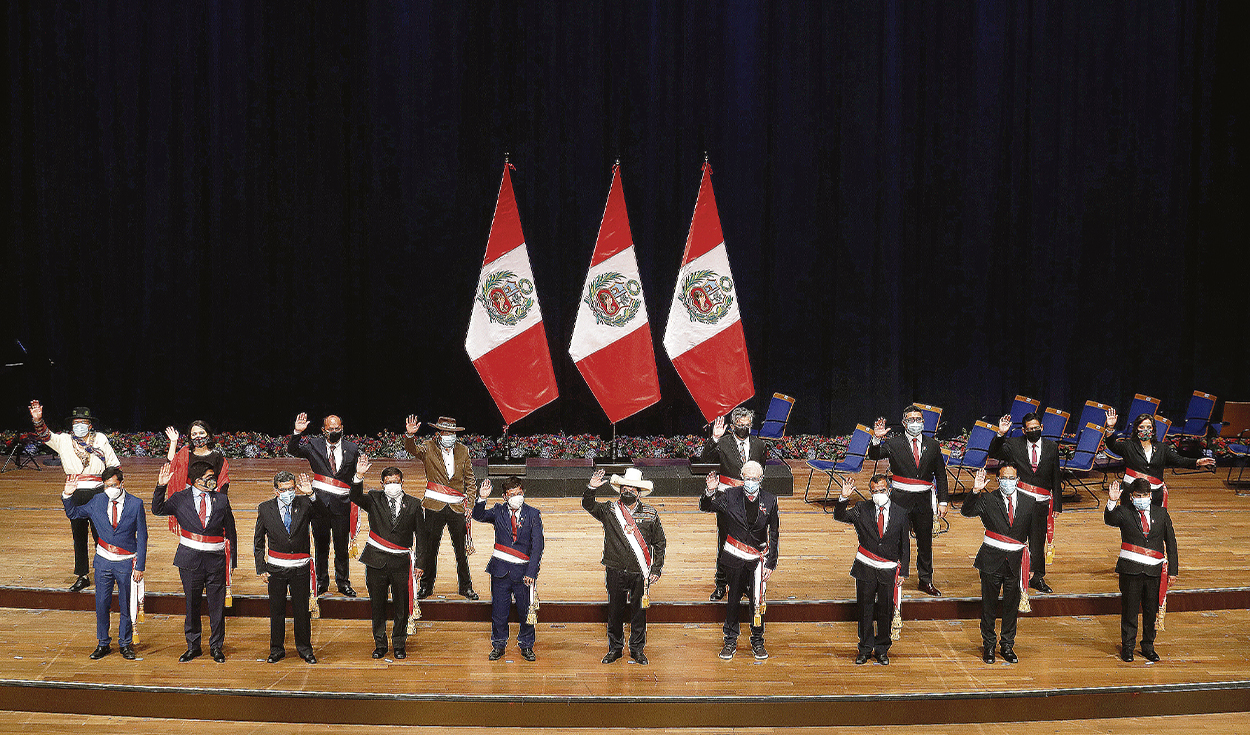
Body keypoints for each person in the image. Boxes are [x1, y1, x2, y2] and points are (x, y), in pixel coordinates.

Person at [29, 400, 121, 592]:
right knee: (78, 536)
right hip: (75, 491)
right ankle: (83, 575)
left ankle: (106, 571)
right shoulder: (63, 440)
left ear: (90, 424)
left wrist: (113, 490)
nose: (79, 426)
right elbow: (46, 435)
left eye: (83, 422)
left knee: (101, 534)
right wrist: (38, 419)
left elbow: (113, 465)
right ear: (72, 425)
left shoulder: (101, 439)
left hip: (98, 492)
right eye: (75, 423)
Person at [152, 460, 238, 663]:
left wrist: (231, 563)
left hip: (215, 560)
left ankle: (216, 646)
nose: (213, 481)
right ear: (197, 480)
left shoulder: (222, 500)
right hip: (189, 560)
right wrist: (161, 486)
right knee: (192, 605)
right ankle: (193, 646)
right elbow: (158, 509)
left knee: (217, 607)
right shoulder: (180, 499)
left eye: (213, 477)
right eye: (209, 478)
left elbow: (231, 532)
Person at [61, 467, 147, 661]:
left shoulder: (136, 504)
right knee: (101, 603)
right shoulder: (97, 500)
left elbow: (142, 536)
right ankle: (103, 643)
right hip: (103, 562)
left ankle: (125, 643)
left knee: (126, 604)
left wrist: (140, 565)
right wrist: (67, 494)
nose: (110, 489)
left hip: (126, 563)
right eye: (106, 486)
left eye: (113, 485)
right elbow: (74, 514)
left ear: (122, 484)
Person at [583, 467, 666, 665]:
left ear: (639, 491)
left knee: (639, 612)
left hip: (640, 572)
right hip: (615, 569)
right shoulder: (609, 510)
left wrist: (656, 568)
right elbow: (588, 504)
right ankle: (615, 648)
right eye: (624, 487)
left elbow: (660, 543)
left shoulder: (651, 513)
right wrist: (591, 489)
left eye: (632, 488)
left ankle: (637, 649)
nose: (627, 491)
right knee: (615, 611)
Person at [699, 460, 777, 661]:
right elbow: (706, 506)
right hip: (734, 557)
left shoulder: (770, 499)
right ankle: (730, 641)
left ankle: (758, 641)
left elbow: (774, 534)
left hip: (757, 561)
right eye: (747, 477)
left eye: (754, 478)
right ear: (742, 478)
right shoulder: (730, 496)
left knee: (757, 602)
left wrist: (771, 563)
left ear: (761, 479)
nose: (750, 481)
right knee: (732, 600)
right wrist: (709, 491)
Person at [867, 405, 949, 596]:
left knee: (925, 541)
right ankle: (894, 576)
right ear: (904, 423)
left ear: (923, 422)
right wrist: (877, 438)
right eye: (911, 419)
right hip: (900, 499)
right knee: (896, 540)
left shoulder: (933, 445)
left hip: (924, 499)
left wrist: (943, 502)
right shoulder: (894, 443)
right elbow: (874, 455)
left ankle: (925, 580)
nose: (915, 423)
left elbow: (941, 475)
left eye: (918, 419)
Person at [961, 465, 1037, 664]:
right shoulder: (987, 499)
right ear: (998, 479)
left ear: (1018, 479)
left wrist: (1034, 566)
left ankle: (1007, 646)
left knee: (1011, 607)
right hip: (991, 561)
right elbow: (966, 512)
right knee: (989, 606)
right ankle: (989, 646)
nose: (1008, 481)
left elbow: (1035, 536)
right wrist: (975, 491)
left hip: (1016, 562)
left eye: (1012, 477)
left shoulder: (1029, 502)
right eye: (1004, 477)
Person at [350, 456, 424, 660]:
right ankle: (380, 644)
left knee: (401, 606)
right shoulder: (373, 498)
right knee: (378, 605)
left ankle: (399, 644)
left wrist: (420, 564)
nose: (393, 485)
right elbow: (355, 496)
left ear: (402, 482)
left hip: (401, 563)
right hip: (376, 561)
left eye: (396, 481)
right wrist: (359, 475)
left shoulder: (415, 504)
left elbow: (422, 536)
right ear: (382, 484)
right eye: (389, 482)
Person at [833, 474, 909, 665]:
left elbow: (905, 545)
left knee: (885, 610)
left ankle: (882, 649)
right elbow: (840, 516)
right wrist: (843, 498)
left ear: (889, 490)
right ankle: (865, 648)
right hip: (866, 567)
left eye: (881, 491)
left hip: (888, 569)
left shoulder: (901, 512)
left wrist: (905, 572)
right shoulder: (861, 509)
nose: (878, 494)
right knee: (865, 610)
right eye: (874, 492)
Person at [403, 415, 478, 600]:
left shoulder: (463, 451)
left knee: (461, 551)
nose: (450, 436)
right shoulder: (428, 447)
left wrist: (471, 504)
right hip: (434, 506)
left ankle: (466, 587)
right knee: (430, 549)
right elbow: (411, 449)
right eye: (447, 432)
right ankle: (426, 587)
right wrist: (410, 436)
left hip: (456, 507)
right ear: (439, 433)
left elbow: (470, 480)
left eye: (453, 433)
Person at [1105, 478, 1177, 662]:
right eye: (1138, 496)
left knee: (1150, 610)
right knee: (1129, 611)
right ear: (1131, 497)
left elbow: (1171, 542)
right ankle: (1128, 648)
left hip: (1154, 572)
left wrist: (1173, 571)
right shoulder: (1124, 512)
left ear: (1150, 496)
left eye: (1145, 495)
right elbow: (1110, 519)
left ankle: (1148, 646)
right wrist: (1112, 501)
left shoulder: (1161, 513)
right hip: (1131, 570)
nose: (1142, 498)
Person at [254, 471, 323, 664]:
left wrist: (311, 494)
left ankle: (305, 649)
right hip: (276, 569)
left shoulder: (305, 503)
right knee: (277, 611)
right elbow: (258, 541)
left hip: (300, 568)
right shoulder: (265, 508)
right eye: (284, 490)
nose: (288, 492)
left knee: (302, 611)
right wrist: (261, 567)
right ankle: (276, 649)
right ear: (276, 491)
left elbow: (322, 516)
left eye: (291, 489)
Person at [988, 412, 1061, 593]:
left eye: (1037, 428)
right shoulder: (1014, 445)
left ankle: (1037, 577)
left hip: (1042, 503)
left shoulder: (1052, 447)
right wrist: (1001, 434)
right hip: (1019, 502)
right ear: (1024, 430)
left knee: (1037, 541)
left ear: (1042, 428)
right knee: (1016, 538)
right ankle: (1012, 573)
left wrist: (1057, 505)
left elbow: (1056, 477)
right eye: (1030, 429)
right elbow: (994, 452)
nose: (1034, 431)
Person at [288, 412, 360, 597]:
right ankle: (321, 582)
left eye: (337, 429)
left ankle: (343, 583)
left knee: (341, 547)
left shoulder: (352, 449)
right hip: (318, 504)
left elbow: (355, 476)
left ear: (342, 429)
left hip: (342, 505)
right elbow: (293, 450)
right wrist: (297, 431)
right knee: (321, 546)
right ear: (323, 430)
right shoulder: (314, 445)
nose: (334, 432)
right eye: (330, 429)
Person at [699, 407, 767, 601]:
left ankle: (744, 583)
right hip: (727, 499)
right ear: (733, 426)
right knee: (725, 541)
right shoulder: (724, 443)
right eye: (740, 425)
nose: (744, 428)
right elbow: (705, 459)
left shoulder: (759, 446)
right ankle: (721, 584)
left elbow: (761, 472)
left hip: (751, 499)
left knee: (748, 541)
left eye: (747, 425)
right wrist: (714, 438)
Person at [474, 476, 545, 661]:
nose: (516, 497)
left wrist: (532, 572)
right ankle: (498, 645)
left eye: (519, 493)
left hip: (523, 574)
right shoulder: (498, 511)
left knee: (525, 611)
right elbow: (478, 515)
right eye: (512, 494)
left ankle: (527, 645)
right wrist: (482, 498)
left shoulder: (533, 514)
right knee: (499, 611)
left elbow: (537, 546)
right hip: (500, 571)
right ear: (505, 496)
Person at [1103, 409, 1215, 507]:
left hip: (1154, 494)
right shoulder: (1128, 446)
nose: (1145, 430)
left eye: (1148, 427)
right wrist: (1110, 427)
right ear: (1136, 429)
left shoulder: (1162, 448)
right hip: (1131, 493)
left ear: (1153, 430)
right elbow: (1112, 445)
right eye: (1141, 427)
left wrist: (1198, 462)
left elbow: (1179, 460)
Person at [165, 421, 230, 495]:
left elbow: (222, 478)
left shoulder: (216, 455)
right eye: (194, 434)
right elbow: (172, 462)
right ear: (190, 437)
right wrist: (173, 442)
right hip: (188, 492)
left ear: (208, 435)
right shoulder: (186, 453)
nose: (198, 436)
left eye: (201, 433)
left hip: (211, 490)